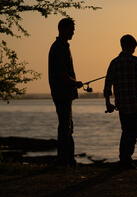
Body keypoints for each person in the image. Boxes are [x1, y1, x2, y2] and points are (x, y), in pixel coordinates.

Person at [104, 34, 137, 170]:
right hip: (134, 104)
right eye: (134, 47)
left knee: (125, 131)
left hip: (121, 105)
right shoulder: (136, 61)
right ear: (130, 46)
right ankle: (126, 160)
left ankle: (124, 159)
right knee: (133, 133)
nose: (134, 50)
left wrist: (108, 103)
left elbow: (107, 85)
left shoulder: (114, 63)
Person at [48, 17, 83, 166]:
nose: (73, 32)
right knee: (65, 126)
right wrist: (74, 83)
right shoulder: (59, 47)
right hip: (62, 93)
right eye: (71, 30)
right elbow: (61, 73)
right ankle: (64, 160)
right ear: (62, 29)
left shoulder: (62, 46)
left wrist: (73, 84)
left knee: (68, 125)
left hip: (64, 93)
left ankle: (68, 159)